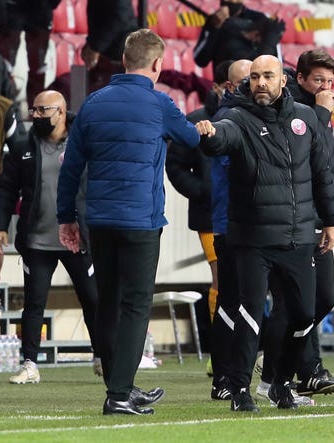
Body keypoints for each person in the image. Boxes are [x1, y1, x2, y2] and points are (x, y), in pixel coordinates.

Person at [56, 29, 206, 415]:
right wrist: (203, 127)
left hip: (100, 220)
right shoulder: (160, 104)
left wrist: (66, 218)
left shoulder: (91, 103)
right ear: (157, 64)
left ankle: (120, 385)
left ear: (123, 60)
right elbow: (191, 139)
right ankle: (119, 394)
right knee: (137, 305)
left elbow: (70, 168)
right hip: (140, 219)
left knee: (109, 303)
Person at [197, 54, 334, 412]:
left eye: (268, 76)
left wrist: (331, 221)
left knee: (304, 315)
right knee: (250, 312)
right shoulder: (236, 117)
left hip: (298, 235)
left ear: (282, 81)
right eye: (255, 77)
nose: (260, 82)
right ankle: (240, 389)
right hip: (252, 238)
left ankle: (280, 383)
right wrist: (209, 135)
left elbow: (322, 173)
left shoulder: (305, 119)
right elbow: (221, 139)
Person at [0, 90, 101, 384]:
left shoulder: (84, 140)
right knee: (34, 302)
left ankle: (102, 356)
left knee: (93, 299)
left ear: (60, 111)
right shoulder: (21, 145)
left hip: (78, 239)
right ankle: (29, 363)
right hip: (38, 240)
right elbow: (7, 189)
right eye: (34, 110)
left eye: (43, 110)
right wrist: (0, 225)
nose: (36, 115)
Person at [257, 49, 334, 401]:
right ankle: (286, 375)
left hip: (314, 223)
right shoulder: (296, 114)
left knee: (322, 299)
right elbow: (301, 160)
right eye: (318, 80)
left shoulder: (314, 114)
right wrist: (322, 113)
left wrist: (331, 219)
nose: (325, 86)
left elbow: (323, 173)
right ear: (300, 79)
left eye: (329, 81)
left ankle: (278, 361)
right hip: (285, 226)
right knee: (292, 305)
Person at [166, 58, 252, 400]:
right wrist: (203, 192)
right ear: (223, 86)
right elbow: (175, 166)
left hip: (251, 216)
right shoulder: (197, 121)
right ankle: (224, 356)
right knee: (223, 282)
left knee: (246, 285)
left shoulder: (257, 118)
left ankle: (242, 352)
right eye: (244, 80)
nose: (252, 85)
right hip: (212, 217)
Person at [0, 0, 60, 106]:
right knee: (5, 69)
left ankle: (37, 115)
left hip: (41, 7)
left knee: (38, 70)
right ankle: (3, 114)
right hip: (11, 6)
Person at [193, 0, 285, 69]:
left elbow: (275, 62)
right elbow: (200, 60)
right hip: (223, 87)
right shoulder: (214, 21)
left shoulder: (260, 19)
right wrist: (213, 28)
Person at [79, 0, 138, 92]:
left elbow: (120, 16)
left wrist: (96, 47)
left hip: (117, 53)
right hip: (109, 51)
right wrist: (90, 43)